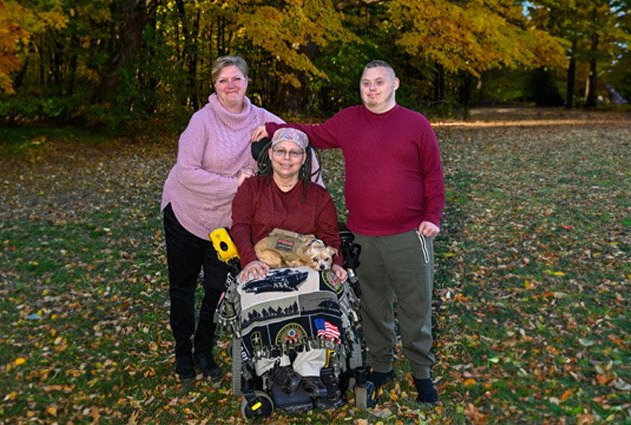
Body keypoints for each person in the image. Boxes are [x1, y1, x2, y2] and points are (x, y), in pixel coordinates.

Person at [251, 60, 445, 404]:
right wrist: (272, 127)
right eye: (366, 83)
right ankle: (382, 366)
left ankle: (422, 373)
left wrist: (433, 215)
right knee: (373, 306)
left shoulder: (416, 125)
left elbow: (433, 174)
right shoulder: (350, 120)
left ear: (394, 84)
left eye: (379, 82)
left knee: (416, 308)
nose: (372, 89)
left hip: (409, 234)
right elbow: (314, 133)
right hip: (362, 235)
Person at [161, 55, 287, 382]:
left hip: (224, 220)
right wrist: (236, 184)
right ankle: (182, 352)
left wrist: (314, 185)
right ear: (214, 86)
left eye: (236, 79)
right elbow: (187, 173)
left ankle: (203, 348)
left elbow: (296, 137)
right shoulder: (201, 121)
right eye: (223, 81)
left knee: (218, 288)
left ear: (247, 82)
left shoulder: (260, 117)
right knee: (184, 287)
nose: (230, 85)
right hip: (185, 211)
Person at [230, 127, 348, 384]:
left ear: (304, 158)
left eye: (294, 153)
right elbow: (239, 227)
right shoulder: (252, 188)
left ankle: (311, 367)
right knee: (252, 288)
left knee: (324, 285)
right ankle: (273, 365)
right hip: (264, 263)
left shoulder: (319, 197)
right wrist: (249, 260)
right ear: (270, 154)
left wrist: (336, 264)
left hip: (305, 267)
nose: (286, 158)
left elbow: (330, 238)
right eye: (281, 151)